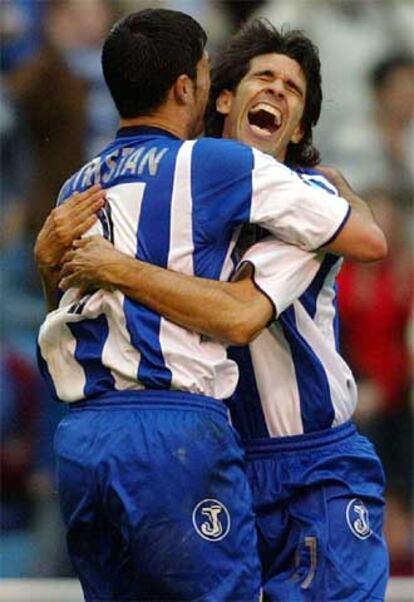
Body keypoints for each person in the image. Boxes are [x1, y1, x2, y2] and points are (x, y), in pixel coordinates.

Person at [35, 11, 386, 601]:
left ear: (298, 130)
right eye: (262, 78)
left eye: (292, 88)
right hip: (217, 451)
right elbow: (87, 313)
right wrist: (53, 266)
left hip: (312, 465)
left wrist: (116, 268)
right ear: (216, 98)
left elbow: (241, 316)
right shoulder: (183, 189)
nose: (276, 90)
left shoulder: (300, 205)